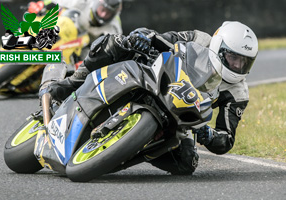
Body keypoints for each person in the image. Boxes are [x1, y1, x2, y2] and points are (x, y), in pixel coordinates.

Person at [43, 21, 258, 175]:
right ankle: (75, 80)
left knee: (186, 164)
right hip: (159, 79)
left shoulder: (238, 93)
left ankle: (125, 152)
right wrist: (146, 39)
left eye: (244, 62)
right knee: (121, 42)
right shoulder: (202, 39)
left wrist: (207, 133)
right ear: (219, 48)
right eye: (233, 58)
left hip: (183, 116)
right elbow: (167, 39)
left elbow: (226, 138)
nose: (238, 66)